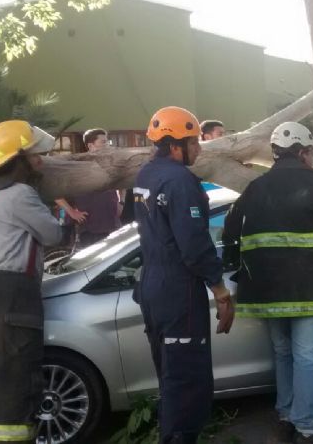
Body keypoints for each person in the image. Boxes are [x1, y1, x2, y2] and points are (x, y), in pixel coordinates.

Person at [222, 122, 313, 444]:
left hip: (266, 291)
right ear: (302, 152)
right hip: (309, 290)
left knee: (283, 353)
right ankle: (309, 430)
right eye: (311, 153)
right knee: (308, 358)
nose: (312, 159)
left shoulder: (255, 188)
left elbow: (229, 233)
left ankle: (286, 416)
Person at [133, 106, 235, 443]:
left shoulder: (146, 176)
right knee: (186, 381)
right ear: (177, 144)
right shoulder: (181, 182)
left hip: (152, 286)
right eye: (194, 142)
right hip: (178, 291)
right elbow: (194, 245)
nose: (199, 149)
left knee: (170, 375)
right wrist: (220, 290)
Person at [0, 120, 62, 444]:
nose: (41, 160)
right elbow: (53, 233)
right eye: (35, 155)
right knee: (20, 373)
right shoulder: (21, 194)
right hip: (15, 291)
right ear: (18, 159)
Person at [55, 128, 123, 246]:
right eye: (103, 142)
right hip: (91, 230)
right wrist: (71, 212)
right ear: (91, 146)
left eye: (107, 141)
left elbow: (122, 183)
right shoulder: (78, 167)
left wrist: (121, 202)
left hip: (113, 225)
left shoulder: (111, 165)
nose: (107, 145)